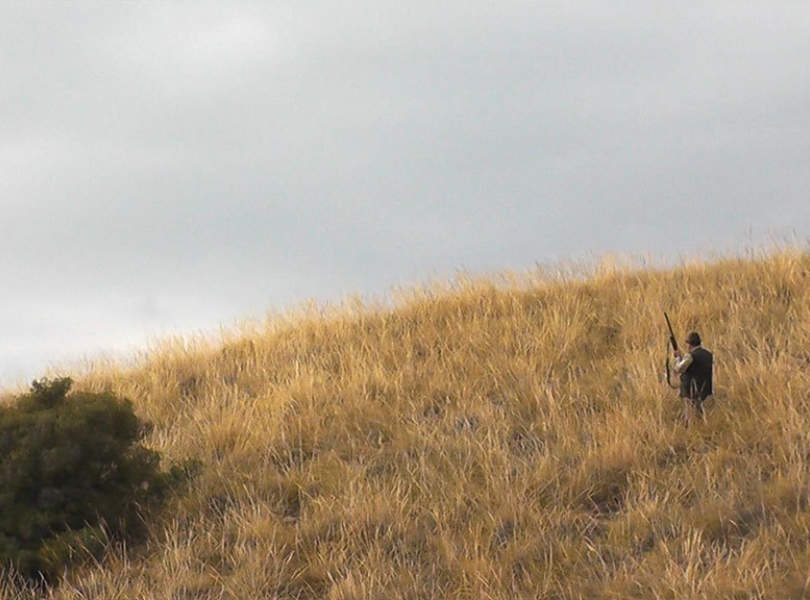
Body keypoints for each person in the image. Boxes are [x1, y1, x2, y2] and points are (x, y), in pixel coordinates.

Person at [673, 331, 713, 427]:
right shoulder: (708, 354)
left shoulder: (690, 356)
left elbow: (678, 369)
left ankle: (691, 430)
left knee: (690, 415)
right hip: (705, 389)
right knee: (700, 413)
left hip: (691, 390)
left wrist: (678, 358)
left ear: (690, 344)